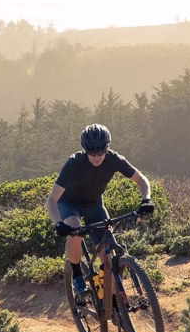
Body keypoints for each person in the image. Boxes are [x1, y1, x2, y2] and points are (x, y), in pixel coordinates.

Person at [46, 124, 155, 295]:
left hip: (94, 204)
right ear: (84, 149)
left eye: (101, 152)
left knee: (108, 254)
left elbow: (141, 179)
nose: (97, 157)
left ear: (108, 147)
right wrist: (58, 223)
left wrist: (146, 199)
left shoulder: (114, 159)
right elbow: (52, 199)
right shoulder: (74, 162)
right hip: (70, 203)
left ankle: (107, 295)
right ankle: (76, 274)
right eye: (92, 153)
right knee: (74, 230)